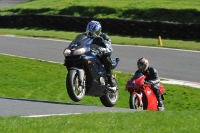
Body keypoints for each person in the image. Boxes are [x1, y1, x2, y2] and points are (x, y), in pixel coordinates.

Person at [69, 20, 116, 91]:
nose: (92, 34)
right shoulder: (82, 36)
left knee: (106, 59)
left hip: (99, 54)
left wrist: (102, 50)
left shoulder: (104, 36)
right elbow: (75, 43)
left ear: (99, 31)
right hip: (88, 53)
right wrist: (71, 48)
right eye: (90, 31)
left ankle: (110, 82)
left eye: (94, 32)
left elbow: (109, 48)